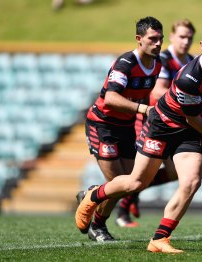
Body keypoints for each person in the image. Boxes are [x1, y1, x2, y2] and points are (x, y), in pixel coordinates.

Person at [75, 23, 202, 253]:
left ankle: (160, 239)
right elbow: (194, 119)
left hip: (191, 132)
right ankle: (94, 195)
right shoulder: (190, 77)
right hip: (163, 126)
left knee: (192, 182)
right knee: (136, 182)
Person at [78, 16, 163, 242]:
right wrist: (144, 110)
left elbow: (143, 93)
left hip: (126, 126)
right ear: (139, 39)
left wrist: (144, 120)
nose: (158, 43)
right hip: (102, 124)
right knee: (118, 182)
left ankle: (91, 196)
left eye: (160, 39)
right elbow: (111, 99)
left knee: (129, 184)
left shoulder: (158, 64)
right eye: (153, 39)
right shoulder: (126, 62)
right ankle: (98, 225)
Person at [115, 19, 196, 227]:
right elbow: (158, 90)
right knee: (137, 176)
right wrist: (186, 99)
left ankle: (133, 195)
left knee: (172, 173)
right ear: (171, 37)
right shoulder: (164, 58)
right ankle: (122, 207)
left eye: (189, 37)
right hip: (153, 122)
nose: (186, 41)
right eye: (182, 36)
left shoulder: (192, 62)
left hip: (174, 123)